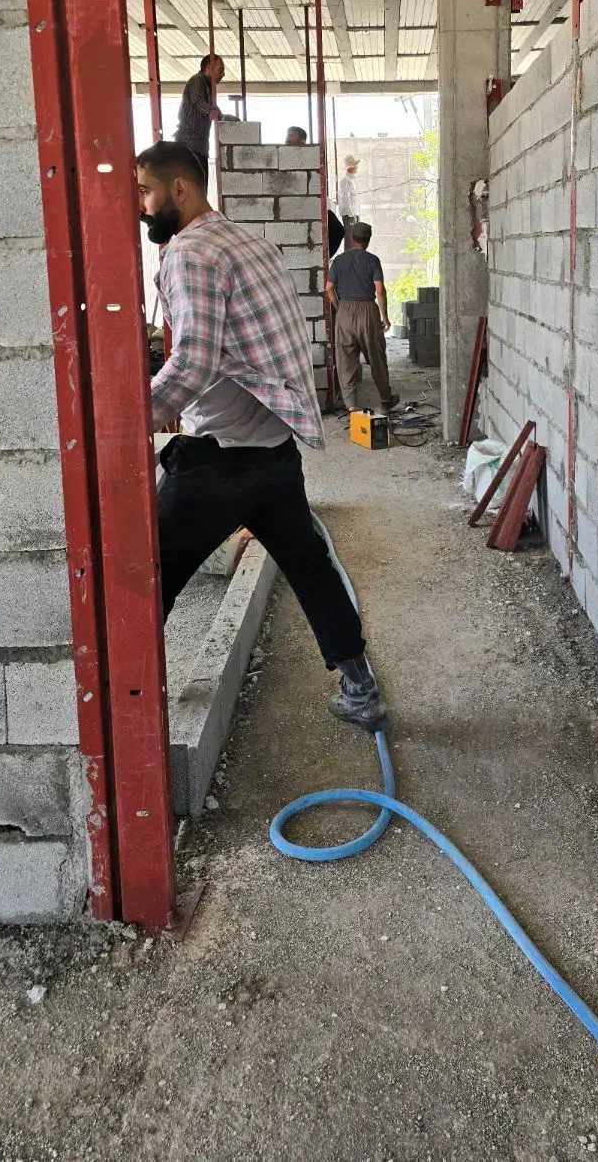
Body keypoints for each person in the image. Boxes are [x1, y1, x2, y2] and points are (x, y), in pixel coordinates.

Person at [137, 139, 386, 729]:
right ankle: (361, 690)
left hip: (216, 462)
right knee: (311, 565)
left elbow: (192, 361)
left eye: (145, 193)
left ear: (179, 189)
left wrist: (127, 423)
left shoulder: (189, 254)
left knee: (148, 581)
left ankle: (134, 713)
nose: (140, 207)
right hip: (274, 452)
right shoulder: (251, 243)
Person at [326, 222, 399, 414]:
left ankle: (351, 406)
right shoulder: (372, 260)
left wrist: (339, 308)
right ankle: (385, 399)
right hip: (368, 310)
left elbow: (329, 289)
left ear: (352, 239)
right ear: (368, 240)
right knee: (376, 356)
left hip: (345, 310)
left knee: (346, 360)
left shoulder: (338, 261)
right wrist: (385, 317)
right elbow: (380, 290)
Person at [284, 124, 344, 257]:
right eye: (288, 135)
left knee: (337, 229)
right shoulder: (282, 158)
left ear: (302, 142)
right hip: (291, 207)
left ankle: (323, 258)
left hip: (306, 205)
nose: (288, 139)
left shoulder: (308, 159)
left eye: (292, 136)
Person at [174, 54, 225, 186]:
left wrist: (223, 117)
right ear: (208, 68)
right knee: (192, 188)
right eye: (220, 70)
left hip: (200, 147)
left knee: (200, 188)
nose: (223, 75)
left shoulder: (208, 88)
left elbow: (213, 108)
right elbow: (199, 102)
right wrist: (217, 115)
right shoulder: (197, 80)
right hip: (188, 146)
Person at [337, 155, 361, 249]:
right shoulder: (345, 180)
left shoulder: (351, 179)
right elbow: (345, 198)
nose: (357, 167)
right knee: (350, 239)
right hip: (349, 214)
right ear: (351, 167)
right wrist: (351, 215)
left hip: (354, 213)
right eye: (355, 165)